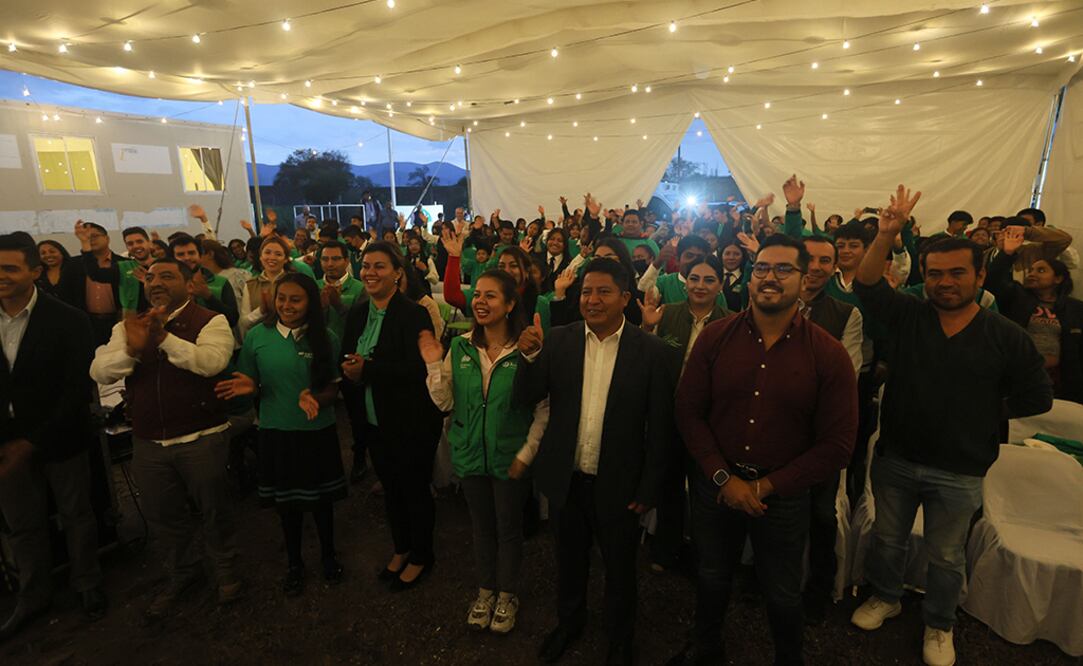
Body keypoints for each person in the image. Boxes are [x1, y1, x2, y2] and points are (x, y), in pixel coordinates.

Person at [849, 187, 1053, 666]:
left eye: (957, 272)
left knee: (946, 555)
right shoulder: (910, 316)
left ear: (981, 275)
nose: (945, 282)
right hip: (897, 456)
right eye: (935, 273)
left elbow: (1037, 396)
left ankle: (940, 624)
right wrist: (885, 235)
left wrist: (982, 408)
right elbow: (867, 286)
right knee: (888, 539)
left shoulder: (1005, 336)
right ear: (923, 277)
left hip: (961, 468)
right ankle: (886, 596)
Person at [669, 234, 858, 666]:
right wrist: (723, 478)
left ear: (804, 276)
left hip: (784, 496)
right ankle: (706, 649)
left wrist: (766, 487)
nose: (770, 278)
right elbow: (688, 412)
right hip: (717, 487)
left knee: (782, 590)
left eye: (783, 269)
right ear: (751, 279)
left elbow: (838, 444)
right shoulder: (716, 338)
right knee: (712, 576)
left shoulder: (827, 354)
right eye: (762, 269)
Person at [515, 259, 674, 665]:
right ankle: (570, 623)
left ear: (626, 298)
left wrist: (649, 487)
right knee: (568, 561)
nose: (592, 299)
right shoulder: (558, 340)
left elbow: (660, 428)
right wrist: (529, 358)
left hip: (619, 483)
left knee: (620, 569)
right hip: (567, 478)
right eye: (586, 291)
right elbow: (526, 398)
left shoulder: (652, 351)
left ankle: (620, 639)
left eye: (603, 291)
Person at [90, 257, 241, 619]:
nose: (155, 282)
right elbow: (99, 371)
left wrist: (163, 338)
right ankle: (184, 573)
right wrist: (132, 349)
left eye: (167, 276)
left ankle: (226, 572)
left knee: (214, 510)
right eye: (152, 277)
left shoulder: (210, 320)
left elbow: (210, 362)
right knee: (164, 516)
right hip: (150, 443)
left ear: (189, 284)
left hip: (202, 436)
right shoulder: (129, 327)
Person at [421, 270, 549, 634]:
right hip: (470, 455)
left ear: (510, 305)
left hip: (510, 457)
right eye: (477, 294)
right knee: (481, 529)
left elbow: (543, 408)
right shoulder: (461, 346)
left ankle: (507, 594)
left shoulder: (526, 350)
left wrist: (527, 452)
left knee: (508, 530)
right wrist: (433, 363)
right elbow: (445, 403)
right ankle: (485, 591)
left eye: (491, 296)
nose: (480, 301)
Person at [0, 233, 107, 640]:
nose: (2, 277)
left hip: (60, 437)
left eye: (10, 268)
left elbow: (75, 390)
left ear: (33, 270)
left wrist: (32, 442)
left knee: (76, 514)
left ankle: (87, 583)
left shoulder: (68, 320)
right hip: (5, 447)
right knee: (22, 525)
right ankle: (34, 595)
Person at [216, 273, 347, 596]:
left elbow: (333, 387)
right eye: (282, 299)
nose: (287, 305)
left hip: (316, 430)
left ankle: (328, 555)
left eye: (296, 299)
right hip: (276, 430)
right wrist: (250, 389)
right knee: (286, 505)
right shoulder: (258, 336)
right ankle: (294, 562)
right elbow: (248, 383)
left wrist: (316, 397)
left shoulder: (324, 337)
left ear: (310, 303)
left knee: (321, 503)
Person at [341, 242, 444, 591]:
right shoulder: (357, 313)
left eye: (379, 266)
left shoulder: (413, 314)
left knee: (414, 489)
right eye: (366, 265)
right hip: (374, 420)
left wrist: (366, 370)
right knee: (391, 490)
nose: (370, 272)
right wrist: (350, 370)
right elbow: (347, 354)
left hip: (410, 419)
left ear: (397, 273)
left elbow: (417, 369)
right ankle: (401, 548)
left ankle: (422, 555)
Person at [638, 256, 729, 574]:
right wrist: (648, 327)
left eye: (708, 280)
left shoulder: (731, 322)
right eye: (694, 279)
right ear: (685, 282)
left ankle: (705, 558)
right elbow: (645, 360)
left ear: (720, 285)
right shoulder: (669, 313)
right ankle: (666, 550)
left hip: (708, 422)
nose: (700, 286)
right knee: (669, 487)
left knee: (706, 492)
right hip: (669, 416)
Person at [985, 226, 1082, 404]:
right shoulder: (1018, 296)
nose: (1032, 274)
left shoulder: (1075, 309)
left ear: (1058, 278)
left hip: (1061, 382)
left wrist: (1026, 231)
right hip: (1020, 376)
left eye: (1041, 270)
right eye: (1031, 270)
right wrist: (1007, 254)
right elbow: (993, 281)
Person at [169, 234, 239, 327]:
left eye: (191, 253)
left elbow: (233, 319)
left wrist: (208, 297)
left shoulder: (220, 283)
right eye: (180, 254)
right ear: (172, 258)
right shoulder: (167, 285)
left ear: (200, 255)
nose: (187, 258)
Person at [239, 235, 294, 336]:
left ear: (286, 259)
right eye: (267, 253)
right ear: (260, 257)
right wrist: (261, 311)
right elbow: (244, 323)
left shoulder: (295, 282)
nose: (272, 257)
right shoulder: (250, 285)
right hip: (261, 338)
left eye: (278, 254)